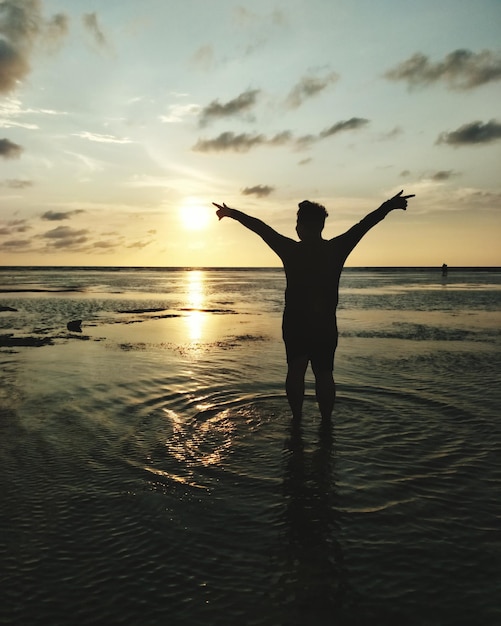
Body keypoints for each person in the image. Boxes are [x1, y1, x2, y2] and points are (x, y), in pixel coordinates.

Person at [213, 190, 414, 422]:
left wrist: (231, 213)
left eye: (297, 222)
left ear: (302, 226)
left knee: (296, 370)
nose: (296, 228)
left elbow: (261, 228)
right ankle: (326, 424)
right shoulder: (336, 249)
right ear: (321, 226)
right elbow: (365, 224)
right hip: (325, 324)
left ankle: (297, 421)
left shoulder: (290, 249)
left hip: (296, 323)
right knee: (324, 373)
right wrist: (390, 205)